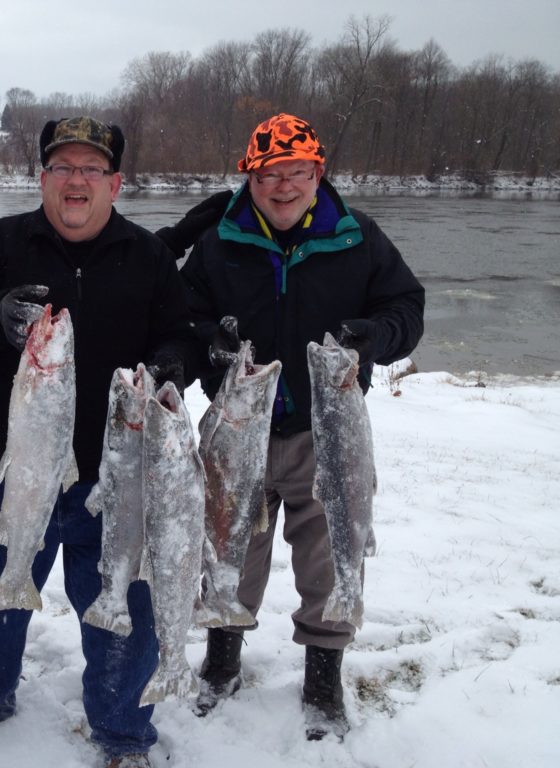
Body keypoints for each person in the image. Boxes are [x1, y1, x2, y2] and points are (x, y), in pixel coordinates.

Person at [0, 116, 197, 768]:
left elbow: (181, 334)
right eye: (62, 168)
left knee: (122, 616)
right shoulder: (1, 245)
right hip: (12, 472)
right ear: (43, 178)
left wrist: (169, 365)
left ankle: (122, 733)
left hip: (115, 481)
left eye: (90, 170)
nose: (75, 181)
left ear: (115, 182)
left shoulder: (148, 256)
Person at [159, 113, 425, 740]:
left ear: (318, 173)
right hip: (234, 426)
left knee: (330, 550)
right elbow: (185, 318)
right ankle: (222, 660)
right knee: (226, 544)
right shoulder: (219, 244)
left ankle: (324, 676)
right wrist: (199, 347)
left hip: (324, 432)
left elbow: (406, 308)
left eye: (296, 173)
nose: (283, 186)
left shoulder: (357, 238)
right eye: (269, 174)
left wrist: (373, 338)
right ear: (249, 178)